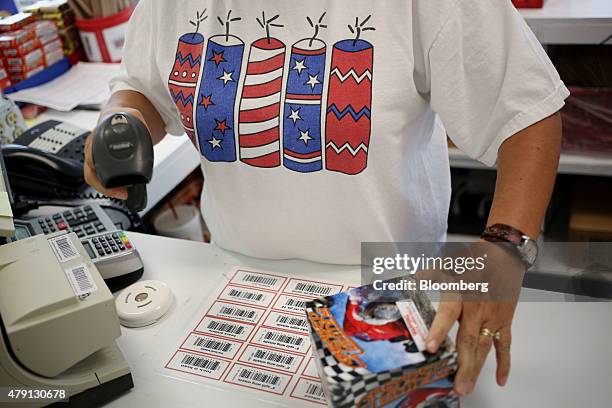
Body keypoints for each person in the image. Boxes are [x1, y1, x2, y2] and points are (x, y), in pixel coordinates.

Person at [84, 0, 569, 397]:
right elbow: (143, 89)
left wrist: (505, 248)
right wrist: (122, 119)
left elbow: (527, 114)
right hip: (236, 281)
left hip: (388, 290)